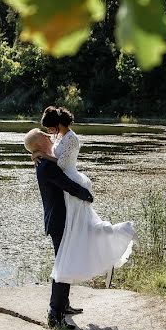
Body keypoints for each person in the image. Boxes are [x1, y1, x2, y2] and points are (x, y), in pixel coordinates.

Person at [31, 106, 135, 293]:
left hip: (73, 183)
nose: (49, 133)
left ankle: (121, 234)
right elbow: (52, 157)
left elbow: (61, 163)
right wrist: (37, 154)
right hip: (69, 187)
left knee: (84, 230)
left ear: (57, 124)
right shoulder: (62, 137)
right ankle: (109, 253)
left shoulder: (71, 138)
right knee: (85, 229)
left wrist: (42, 155)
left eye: (49, 128)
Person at [24, 128, 93, 329]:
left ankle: (64, 305)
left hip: (60, 220)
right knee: (63, 265)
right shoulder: (45, 165)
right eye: (43, 135)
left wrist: (38, 154)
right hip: (59, 221)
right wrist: (86, 195)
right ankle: (55, 315)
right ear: (39, 143)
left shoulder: (44, 160)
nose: (48, 135)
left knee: (66, 262)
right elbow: (67, 184)